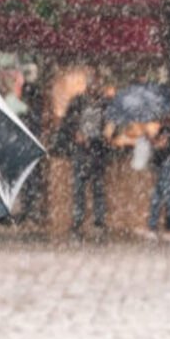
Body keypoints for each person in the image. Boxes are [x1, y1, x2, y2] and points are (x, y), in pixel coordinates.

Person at [53, 77, 110, 240]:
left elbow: (108, 128)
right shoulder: (78, 103)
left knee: (97, 188)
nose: (94, 89)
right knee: (80, 188)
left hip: (97, 151)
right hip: (81, 151)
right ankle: (78, 222)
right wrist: (75, 134)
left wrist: (98, 138)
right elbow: (67, 123)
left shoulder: (104, 105)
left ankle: (98, 222)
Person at [142, 111, 170, 241]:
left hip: (168, 164)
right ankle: (153, 226)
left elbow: (163, 144)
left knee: (169, 197)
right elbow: (159, 143)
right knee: (157, 197)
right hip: (163, 165)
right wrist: (151, 139)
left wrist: (154, 141)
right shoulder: (165, 128)